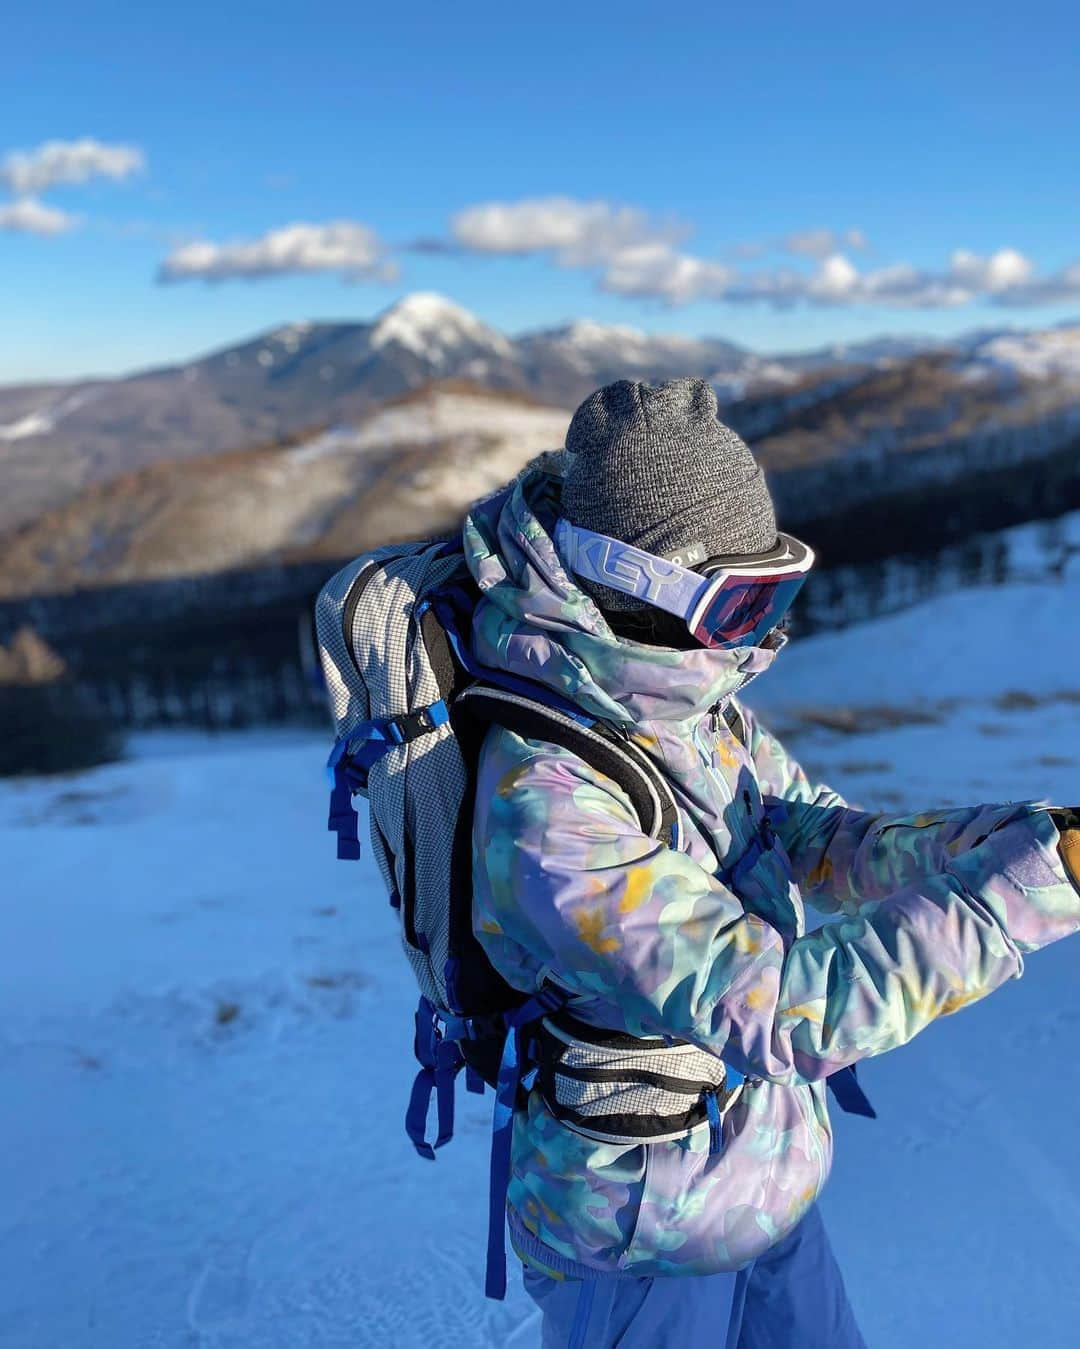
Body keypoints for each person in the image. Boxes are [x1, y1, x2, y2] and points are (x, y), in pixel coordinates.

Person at [459, 377, 1080, 1348]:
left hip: (756, 1182)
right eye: (741, 600)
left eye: (777, 592)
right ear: (635, 583)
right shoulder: (546, 805)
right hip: (640, 1234)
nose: (761, 637)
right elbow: (784, 1012)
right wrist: (1027, 898)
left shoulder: (686, 705)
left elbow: (817, 840)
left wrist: (1032, 840)